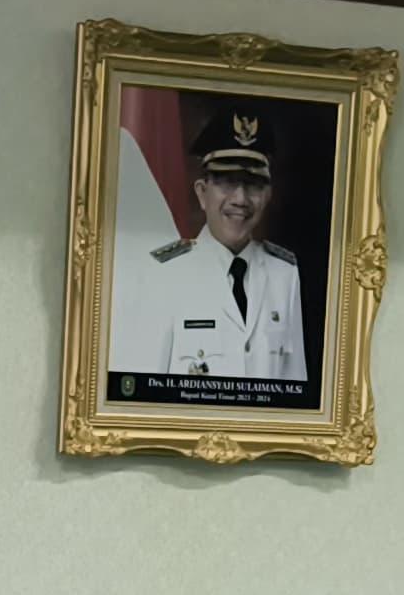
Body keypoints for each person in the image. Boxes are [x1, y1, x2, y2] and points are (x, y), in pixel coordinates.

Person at [115, 99, 309, 387]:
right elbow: (140, 393)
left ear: (268, 196)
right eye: (227, 182)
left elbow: (294, 391)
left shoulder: (284, 274)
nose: (240, 199)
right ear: (202, 193)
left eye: (253, 184)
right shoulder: (164, 273)